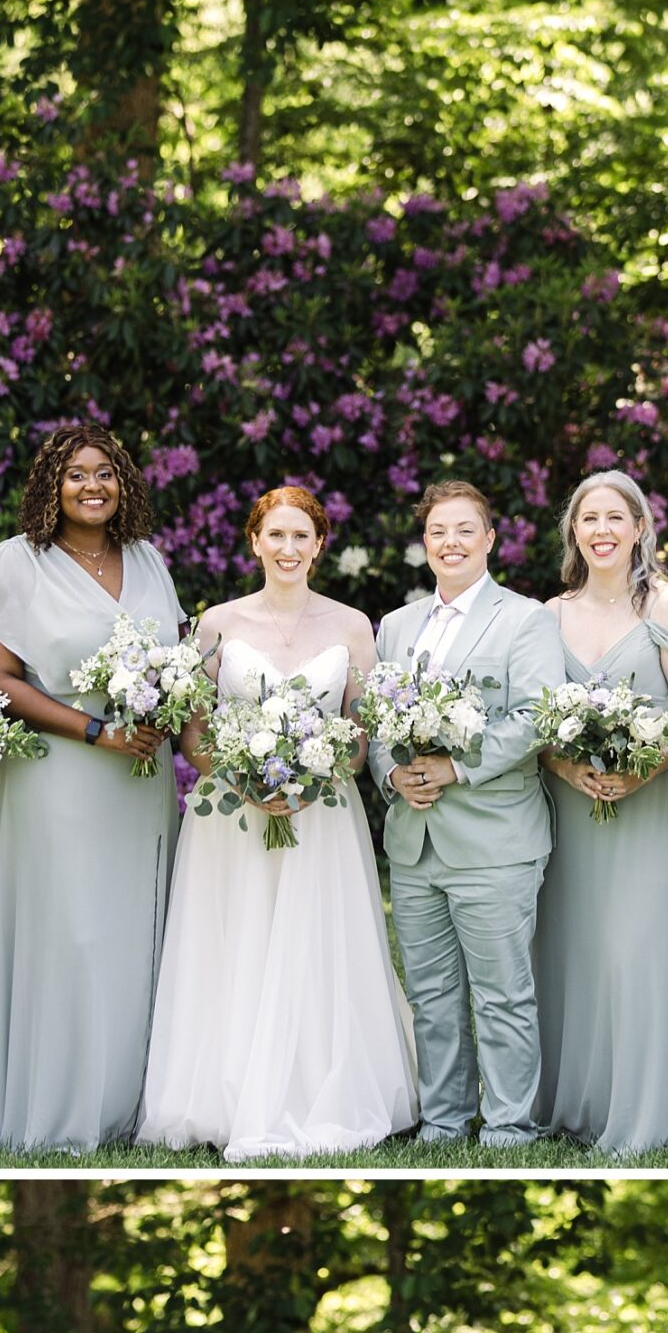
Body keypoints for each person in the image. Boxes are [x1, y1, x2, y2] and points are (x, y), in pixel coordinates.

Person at [140, 484, 417, 1157]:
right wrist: (238, 776)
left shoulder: (353, 625)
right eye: (277, 536)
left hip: (319, 811)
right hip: (229, 816)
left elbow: (360, 733)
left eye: (302, 536)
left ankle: (320, 1086)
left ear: (319, 545)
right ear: (254, 542)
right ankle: (221, 1096)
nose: (288, 549)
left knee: (315, 940)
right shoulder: (216, 623)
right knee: (233, 940)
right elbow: (193, 730)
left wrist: (314, 774)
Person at [0, 425, 183, 1149]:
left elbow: (175, 663)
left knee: (135, 939)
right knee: (70, 938)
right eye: (74, 474)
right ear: (49, 486)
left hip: (140, 780)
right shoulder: (15, 562)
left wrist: (162, 717)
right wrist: (95, 732)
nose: (92, 486)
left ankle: (127, 1109)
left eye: (105, 473)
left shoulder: (149, 560)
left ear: (123, 482)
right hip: (56, 778)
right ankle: (57, 1112)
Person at [368, 479, 564, 1148]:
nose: (449, 542)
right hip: (414, 840)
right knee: (431, 998)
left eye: (463, 530)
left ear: (489, 539)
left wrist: (456, 766)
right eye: (436, 532)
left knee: (501, 994)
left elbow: (535, 716)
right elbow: (372, 725)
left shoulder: (525, 618)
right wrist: (392, 773)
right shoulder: (395, 626)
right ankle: (445, 1122)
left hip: (494, 840)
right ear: (424, 544)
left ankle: (509, 1126)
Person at [534, 472, 668, 1152]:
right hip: (571, 809)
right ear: (574, 532)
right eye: (590, 519)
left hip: (654, 810)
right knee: (578, 951)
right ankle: (578, 1104)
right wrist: (563, 765)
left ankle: (649, 1111)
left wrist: (641, 772)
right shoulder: (546, 615)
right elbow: (531, 721)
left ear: (639, 528)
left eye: (617, 517)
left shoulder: (665, 607)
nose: (603, 530)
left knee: (640, 953)